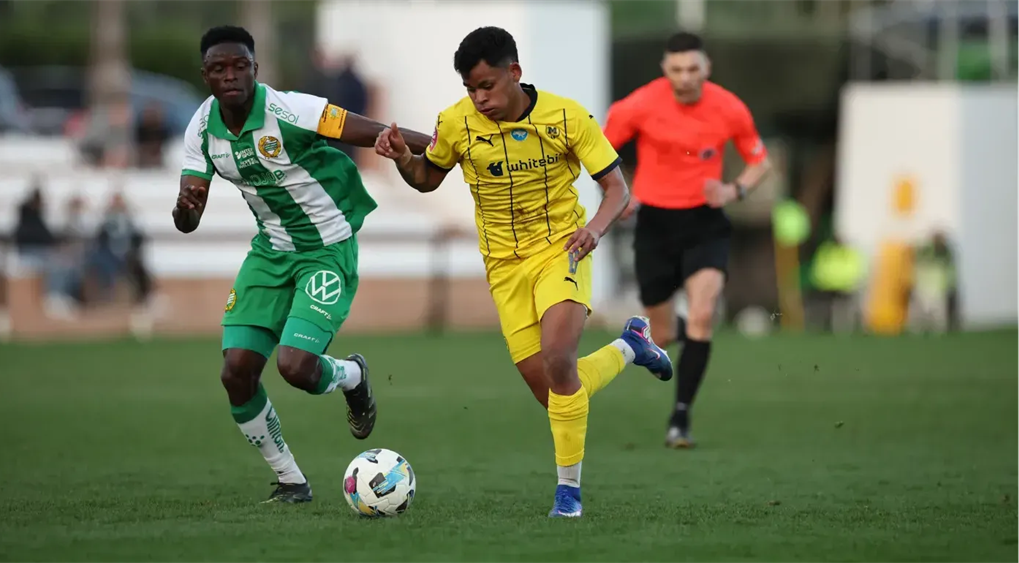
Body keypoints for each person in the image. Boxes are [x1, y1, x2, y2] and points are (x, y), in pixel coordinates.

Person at [374, 26, 673, 518]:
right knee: (554, 391)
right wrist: (406, 158)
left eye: (487, 85)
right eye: (470, 88)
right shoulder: (456, 123)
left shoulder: (567, 117)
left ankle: (568, 494)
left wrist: (594, 230)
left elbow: (618, 189)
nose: (479, 98)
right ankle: (630, 345)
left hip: (563, 249)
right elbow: (427, 178)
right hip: (503, 266)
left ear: (514, 72)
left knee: (559, 359)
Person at [172, 26, 432, 504]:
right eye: (218, 68)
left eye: (240, 66)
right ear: (205, 75)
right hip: (270, 251)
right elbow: (188, 219)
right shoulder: (201, 129)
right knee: (235, 372)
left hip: (326, 249)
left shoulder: (290, 110)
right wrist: (184, 208)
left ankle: (352, 376)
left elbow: (372, 131)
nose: (230, 75)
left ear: (255, 69)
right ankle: (291, 480)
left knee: (295, 367)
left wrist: (438, 147)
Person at [603, 32, 772, 449]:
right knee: (661, 333)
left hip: (705, 223)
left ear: (706, 68)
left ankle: (680, 418)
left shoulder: (728, 107)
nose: (685, 77)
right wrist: (619, 195)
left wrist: (734, 190)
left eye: (693, 68)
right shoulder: (638, 104)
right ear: (665, 69)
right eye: (677, 69)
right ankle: (663, 337)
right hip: (654, 224)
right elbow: (599, 153)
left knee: (702, 314)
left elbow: (759, 161)